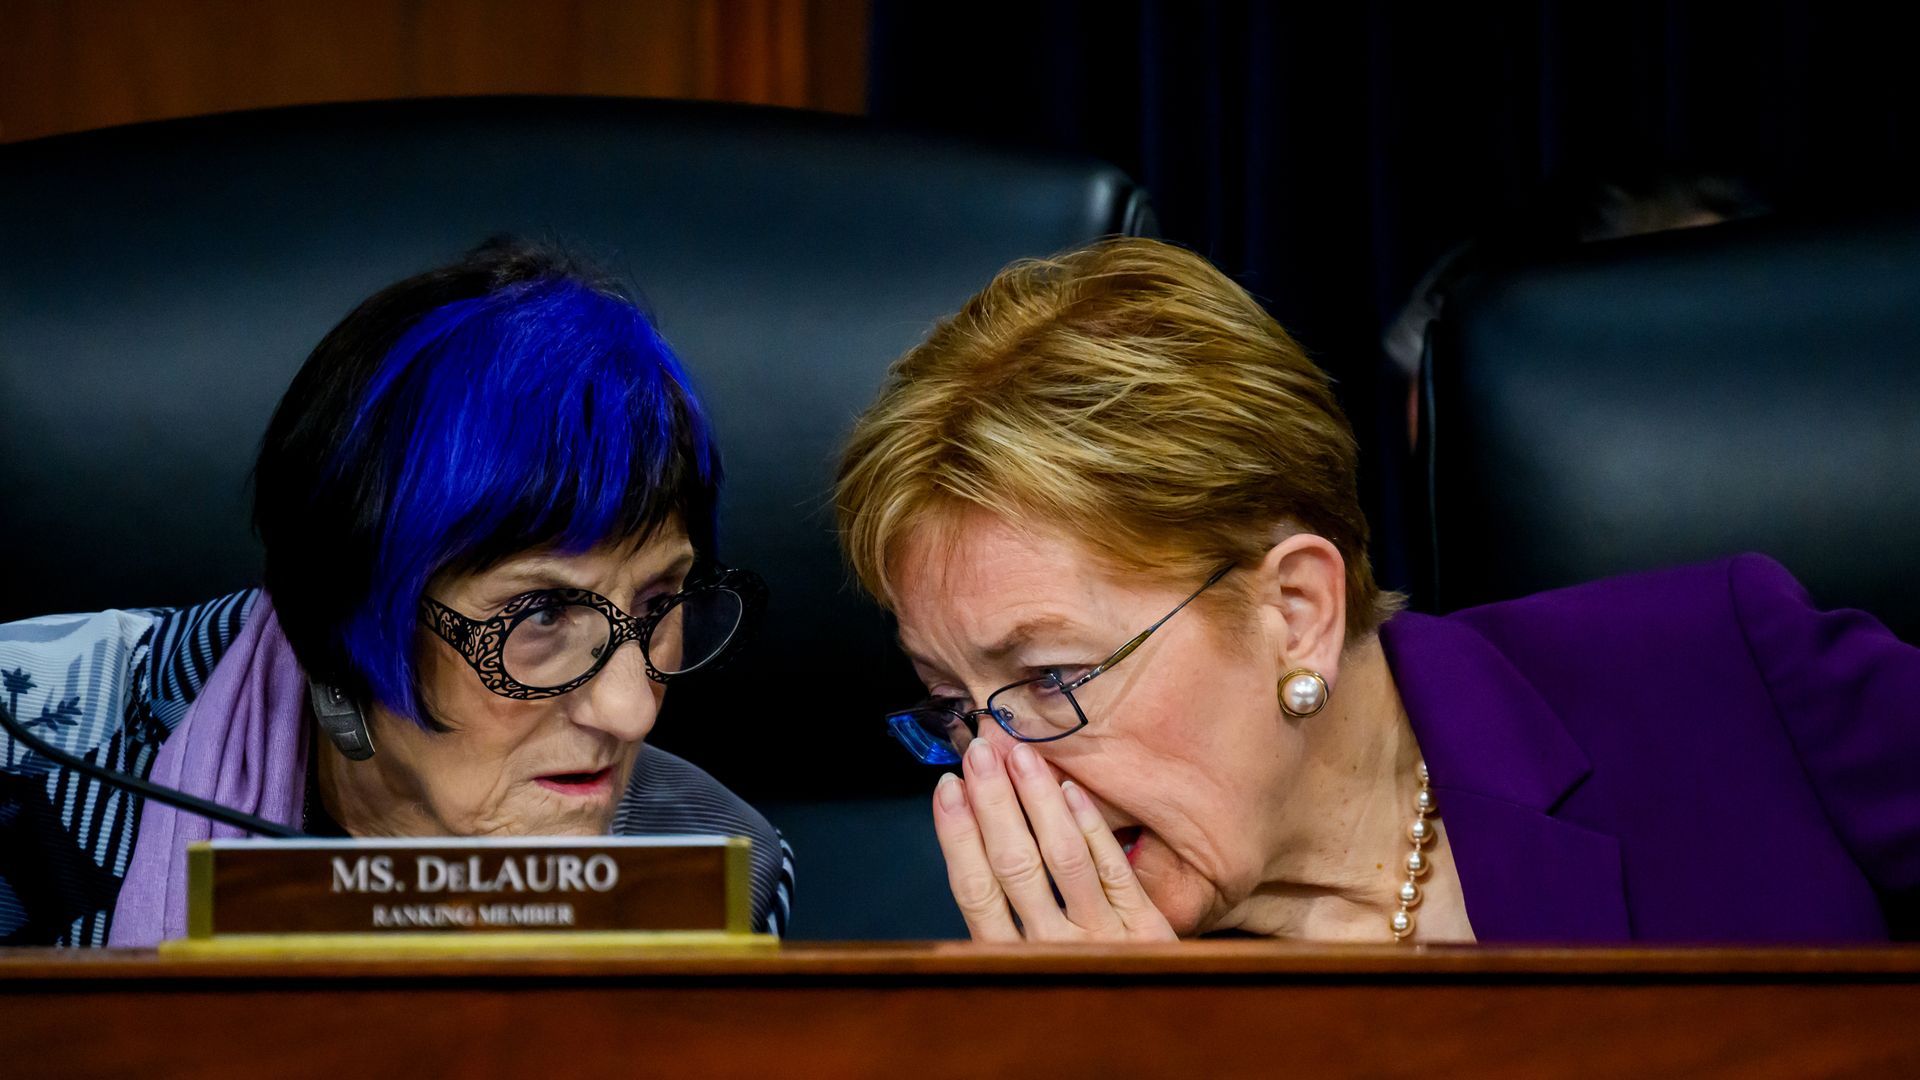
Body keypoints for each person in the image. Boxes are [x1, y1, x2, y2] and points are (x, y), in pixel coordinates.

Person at [835, 236, 1920, 944]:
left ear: (1296, 613)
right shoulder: (1033, 958)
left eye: (1054, 676)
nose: (1000, 771)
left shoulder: (1731, 672)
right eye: (955, 708)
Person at [0, 241, 791, 946]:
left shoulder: (717, 868)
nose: (632, 711)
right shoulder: (28, 758)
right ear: (335, 629)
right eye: (542, 612)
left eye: (657, 608)